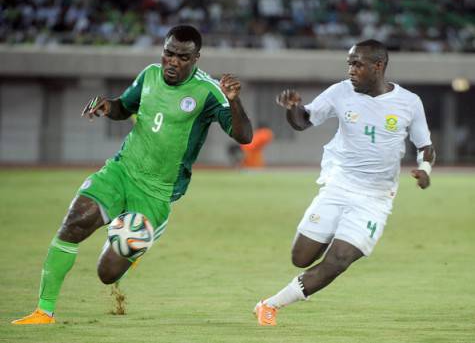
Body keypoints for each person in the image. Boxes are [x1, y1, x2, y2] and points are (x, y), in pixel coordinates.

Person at [12, 24, 253, 325]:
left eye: (182, 57)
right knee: (73, 224)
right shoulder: (150, 74)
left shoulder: (208, 92)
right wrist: (106, 105)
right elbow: (124, 108)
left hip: (157, 192)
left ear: (196, 58)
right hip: (122, 170)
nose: (173, 62)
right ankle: (43, 312)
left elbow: (244, 136)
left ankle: (133, 244)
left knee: (106, 273)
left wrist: (234, 100)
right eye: (168, 53)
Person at [254, 39, 435, 326]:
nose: (350, 69)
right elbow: (303, 121)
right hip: (338, 186)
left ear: (378, 66)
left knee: (338, 260)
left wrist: (425, 169)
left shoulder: (409, 102)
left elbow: (425, 146)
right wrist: (292, 107)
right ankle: (337, 239)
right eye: (349, 63)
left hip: (375, 198)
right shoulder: (340, 92)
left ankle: (270, 305)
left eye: (357, 64)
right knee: (300, 258)